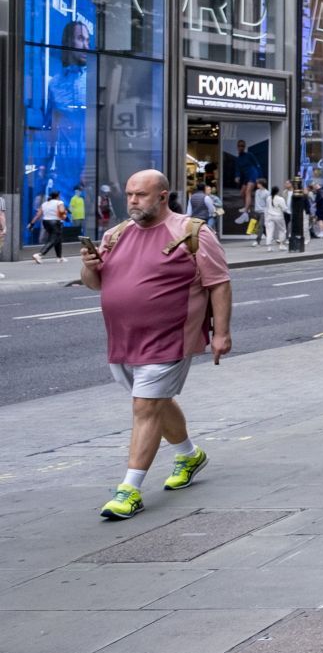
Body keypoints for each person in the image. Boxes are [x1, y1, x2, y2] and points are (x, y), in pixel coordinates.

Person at [80, 169, 229, 521]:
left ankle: (129, 490)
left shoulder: (192, 232)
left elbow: (219, 283)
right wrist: (88, 266)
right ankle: (190, 455)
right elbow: (94, 284)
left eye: (141, 195)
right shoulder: (116, 235)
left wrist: (221, 333)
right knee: (155, 404)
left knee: (145, 407)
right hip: (123, 338)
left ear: (162, 196)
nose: (132, 201)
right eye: (129, 194)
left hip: (170, 338)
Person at [33, 190, 68, 263]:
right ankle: (40, 254)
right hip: (55, 222)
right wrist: (65, 212)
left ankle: (59, 257)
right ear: (58, 196)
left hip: (46, 222)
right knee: (53, 239)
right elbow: (61, 211)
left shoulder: (45, 203)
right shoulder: (59, 202)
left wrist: (31, 223)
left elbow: (38, 215)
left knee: (58, 238)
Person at [266, 182, 289, 250]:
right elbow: (284, 208)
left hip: (270, 216)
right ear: (278, 191)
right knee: (282, 230)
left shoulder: (268, 198)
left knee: (270, 231)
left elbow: (267, 207)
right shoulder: (280, 199)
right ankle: (281, 245)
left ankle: (269, 247)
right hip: (278, 216)